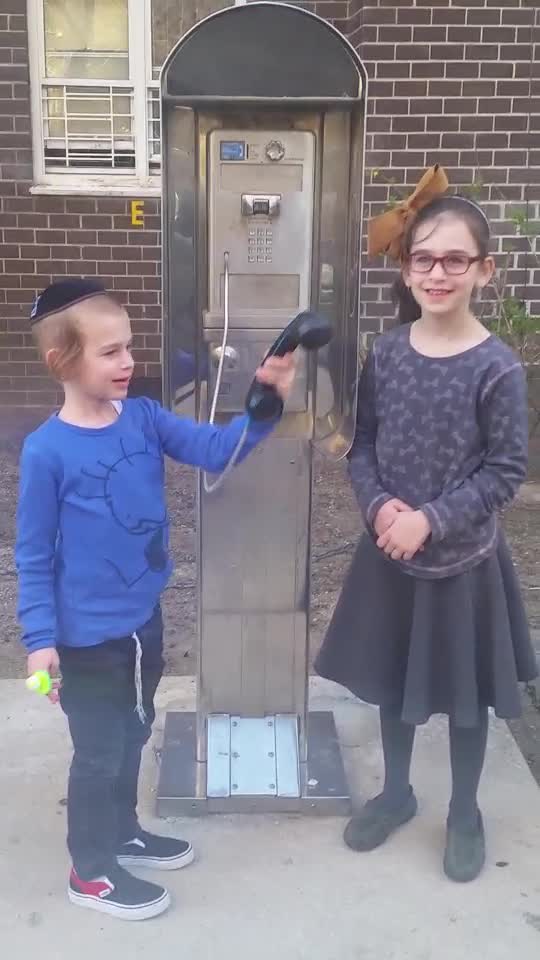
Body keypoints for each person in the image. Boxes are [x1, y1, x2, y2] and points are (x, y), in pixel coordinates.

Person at [16, 279, 296, 920]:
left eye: (128, 347)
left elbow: (217, 450)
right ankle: (90, 871)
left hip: (142, 623)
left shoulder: (142, 418)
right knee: (99, 752)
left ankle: (121, 831)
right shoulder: (46, 452)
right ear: (62, 361)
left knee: (135, 731)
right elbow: (32, 554)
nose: (128, 362)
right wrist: (39, 642)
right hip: (85, 639)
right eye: (110, 352)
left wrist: (265, 399)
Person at [315, 167, 538, 883]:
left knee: (466, 700)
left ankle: (465, 810)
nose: (438, 273)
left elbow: (505, 471)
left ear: (484, 271)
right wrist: (381, 508)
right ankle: (397, 792)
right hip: (389, 554)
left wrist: (431, 521)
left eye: (455, 260)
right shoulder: (386, 354)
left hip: (463, 562)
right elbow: (363, 445)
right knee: (393, 682)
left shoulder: (498, 369)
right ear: (407, 268)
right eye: (424, 259)